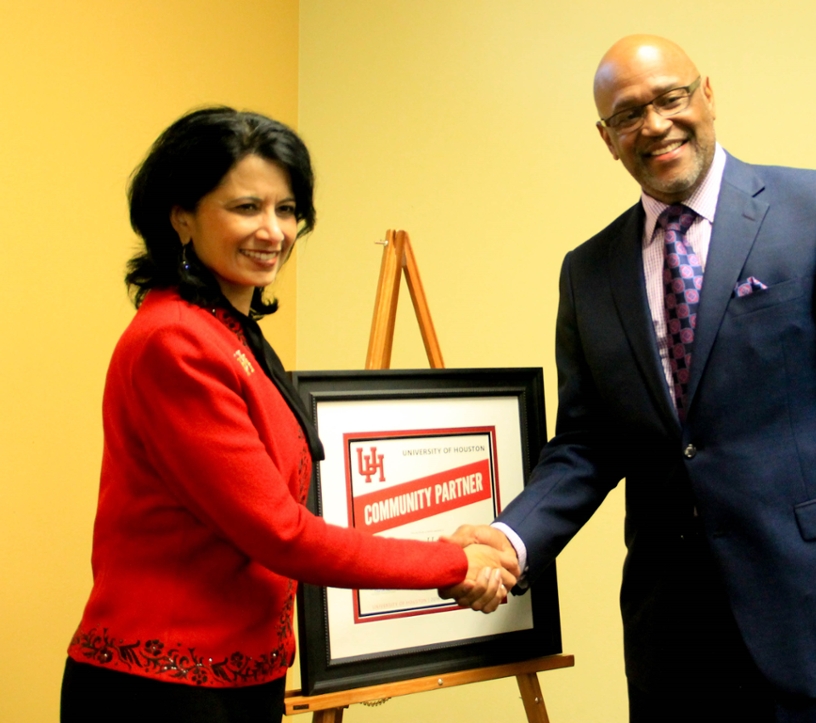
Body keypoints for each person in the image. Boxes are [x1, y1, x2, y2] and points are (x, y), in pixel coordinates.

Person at [446, 35, 816, 722]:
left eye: (669, 99)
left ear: (706, 95)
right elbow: (588, 442)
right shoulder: (589, 270)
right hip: (668, 633)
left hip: (808, 613)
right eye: (628, 114)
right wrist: (511, 537)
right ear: (607, 137)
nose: (653, 124)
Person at [61, 107, 517, 723]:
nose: (273, 231)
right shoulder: (175, 340)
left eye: (287, 210)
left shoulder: (230, 332)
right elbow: (280, 533)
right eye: (246, 207)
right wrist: (455, 561)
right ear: (182, 217)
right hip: (163, 687)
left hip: (242, 675)